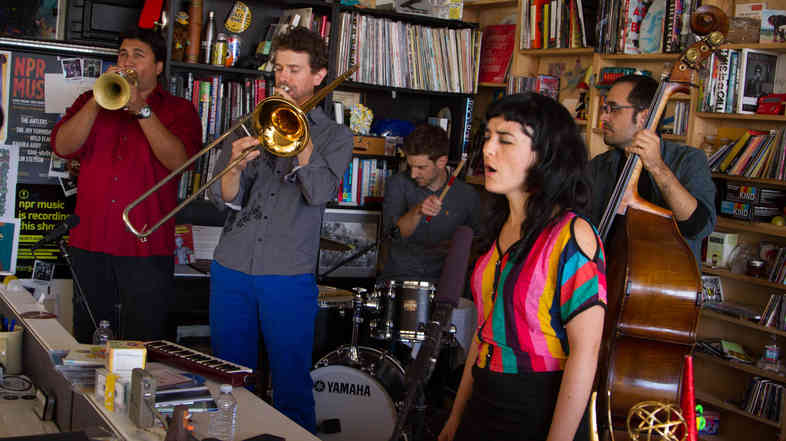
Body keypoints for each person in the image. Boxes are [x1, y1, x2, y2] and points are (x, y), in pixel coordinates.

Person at [207, 26, 353, 433]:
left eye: (293, 69)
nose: (283, 78)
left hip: (287, 274)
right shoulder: (249, 122)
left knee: (290, 381)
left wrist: (300, 138)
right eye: (278, 69)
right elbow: (226, 200)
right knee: (229, 378)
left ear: (318, 75)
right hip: (232, 264)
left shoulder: (336, 136)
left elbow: (320, 191)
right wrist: (234, 166)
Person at [439, 93, 607, 441]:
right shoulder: (497, 227)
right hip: (483, 399)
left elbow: (585, 352)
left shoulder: (572, 236)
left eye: (505, 140)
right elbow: (483, 337)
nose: (487, 150)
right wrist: (455, 419)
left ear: (544, 155)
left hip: (537, 404)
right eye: (487, 137)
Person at [51, 28, 201, 343]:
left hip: (145, 246)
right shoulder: (88, 102)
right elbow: (63, 147)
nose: (127, 61)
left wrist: (141, 110)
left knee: (142, 343)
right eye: (122, 54)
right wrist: (96, 100)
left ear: (159, 66)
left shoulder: (180, 110)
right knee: (89, 340)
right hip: (90, 242)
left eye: (138, 55)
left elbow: (180, 162)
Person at [589, 74, 716, 265]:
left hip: (667, 283)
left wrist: (657, 167)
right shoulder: (599, 165)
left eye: (613, 109)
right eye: (604, 108)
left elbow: (698, 227)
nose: (603, 117)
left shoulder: (689, 159)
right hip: (610, 280)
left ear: (644, 117)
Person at [381, 124, 481, 283]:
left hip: (446, 281)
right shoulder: (397, 184)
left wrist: (455, 248)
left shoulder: (468, 195)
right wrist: (417, 211)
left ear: (441, 162)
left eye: (421, 167)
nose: (413, 174)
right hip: (400, 278)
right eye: (411, 166)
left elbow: (477, 245)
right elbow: (393, 235)